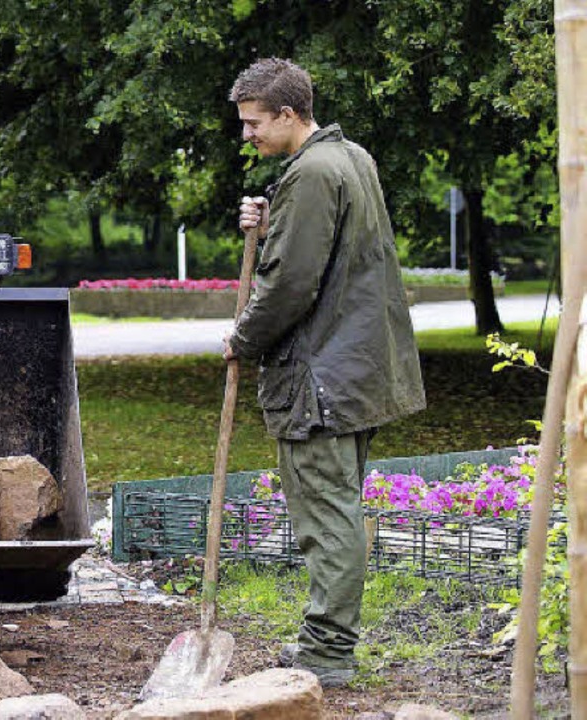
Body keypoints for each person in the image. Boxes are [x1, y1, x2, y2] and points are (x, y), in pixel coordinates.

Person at [225, 58, 426, 687]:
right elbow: (325, 252)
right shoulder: (349, 159)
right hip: (357, 368)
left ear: (288, 114)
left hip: (321, 379)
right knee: (338, 506)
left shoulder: (311, 173)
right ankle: (326, 640)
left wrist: (243, 338)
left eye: (254, 123)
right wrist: (269, 221)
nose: (247, 135)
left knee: (327, 516)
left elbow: (291, 284)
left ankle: (328, 651)